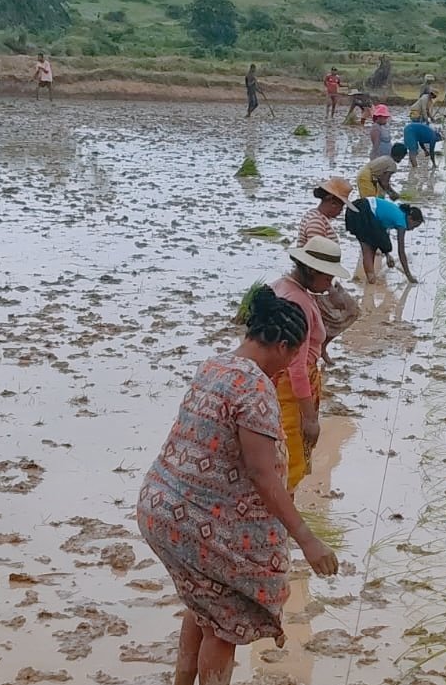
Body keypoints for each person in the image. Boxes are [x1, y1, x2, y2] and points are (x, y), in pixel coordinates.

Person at [137, 285, 340, 685]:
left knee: (203, 607)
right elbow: (262, 474)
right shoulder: (254, 388)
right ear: (281, 345)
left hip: (160, 508)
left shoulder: (215, 366)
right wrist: (307, 539)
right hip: (194, 525)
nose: (287, 368)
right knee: (225, 622)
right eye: (292, 358)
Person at [270, 237, 352, 492]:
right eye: (327, 278)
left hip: (274, 379)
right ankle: (284, 509)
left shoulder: (280, 286)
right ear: (312, 270)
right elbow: (296, 366)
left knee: (275, 450)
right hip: (292, 388)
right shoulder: (300, 303)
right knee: (290, 457)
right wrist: (309, 418)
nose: (329, 285)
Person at [298, 178, 361, 363]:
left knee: (325, 319)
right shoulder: (316, 223)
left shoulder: (317, 217)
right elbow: (316, 259)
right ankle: (315, 349)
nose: (341, 211)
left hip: (322, 279)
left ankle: (319, 348)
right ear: (331, 201)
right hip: (314, 282)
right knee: (348, 310)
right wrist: (329, 289)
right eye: (341, 206)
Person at [345, 197, 424, 285]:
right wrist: (409, 277)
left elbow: (382, 235)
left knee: (371, 245)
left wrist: (387, 255)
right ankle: (371, 280)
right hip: (364, 210)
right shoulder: (402, 222)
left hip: (356, 207)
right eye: (414, 226)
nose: (412, 229)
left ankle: (371, 279)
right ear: (409, 218)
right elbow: (401, 251)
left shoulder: (399, 212)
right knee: (369, 248)